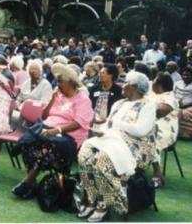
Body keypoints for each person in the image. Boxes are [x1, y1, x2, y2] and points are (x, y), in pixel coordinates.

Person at [77, 71, 157, 221]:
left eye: (125, 83)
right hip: (111, 141)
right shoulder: (119, 103)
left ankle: (105, 204)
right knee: (85, 154)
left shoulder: (148, 105)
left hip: (134, 148)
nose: (122, 85)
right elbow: (108, 125)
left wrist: (116, 125)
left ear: (134, 87)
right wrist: (101, 131)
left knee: (101, 160)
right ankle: (91, 199)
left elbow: (141, 130)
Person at [12, 63, 93, 199]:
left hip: (69, 137)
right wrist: (52, 100)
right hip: (48, 131)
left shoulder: (82, 100)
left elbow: (78, 124)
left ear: (70, 82)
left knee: (44, 149)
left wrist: (57, 130)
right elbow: (43, 116)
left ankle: (26, 183)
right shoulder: (58, 96)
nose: (57, 84)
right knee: (28, 146)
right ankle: (31, 184)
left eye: (60, 81)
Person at [149, 74, 179, 187]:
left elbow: (160, 112)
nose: (152, 83)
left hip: (166, 129)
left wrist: (146, 106)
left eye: (154, 80)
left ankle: (157, 173)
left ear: (159, 84)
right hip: (151, 124)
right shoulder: (153, 95)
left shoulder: (170, 97)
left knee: (151, 139)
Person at [89, 64, 123, 131]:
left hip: (109, 124)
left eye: (102, 73)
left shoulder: (119, 91)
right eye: (99, 73)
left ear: (111, 75)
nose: (99, 75)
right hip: (92, 121)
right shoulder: (93, 89)